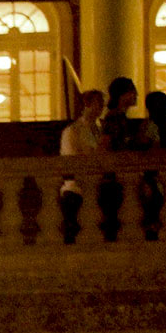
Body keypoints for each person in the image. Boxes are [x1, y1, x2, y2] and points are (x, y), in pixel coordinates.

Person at [59, 89, 105, 243]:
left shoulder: (98, 130)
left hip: (96, 184)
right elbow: (71, 160)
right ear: (87, 104)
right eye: (99, 103)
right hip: (76, 188)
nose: (102, 107)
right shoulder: (73, 131)